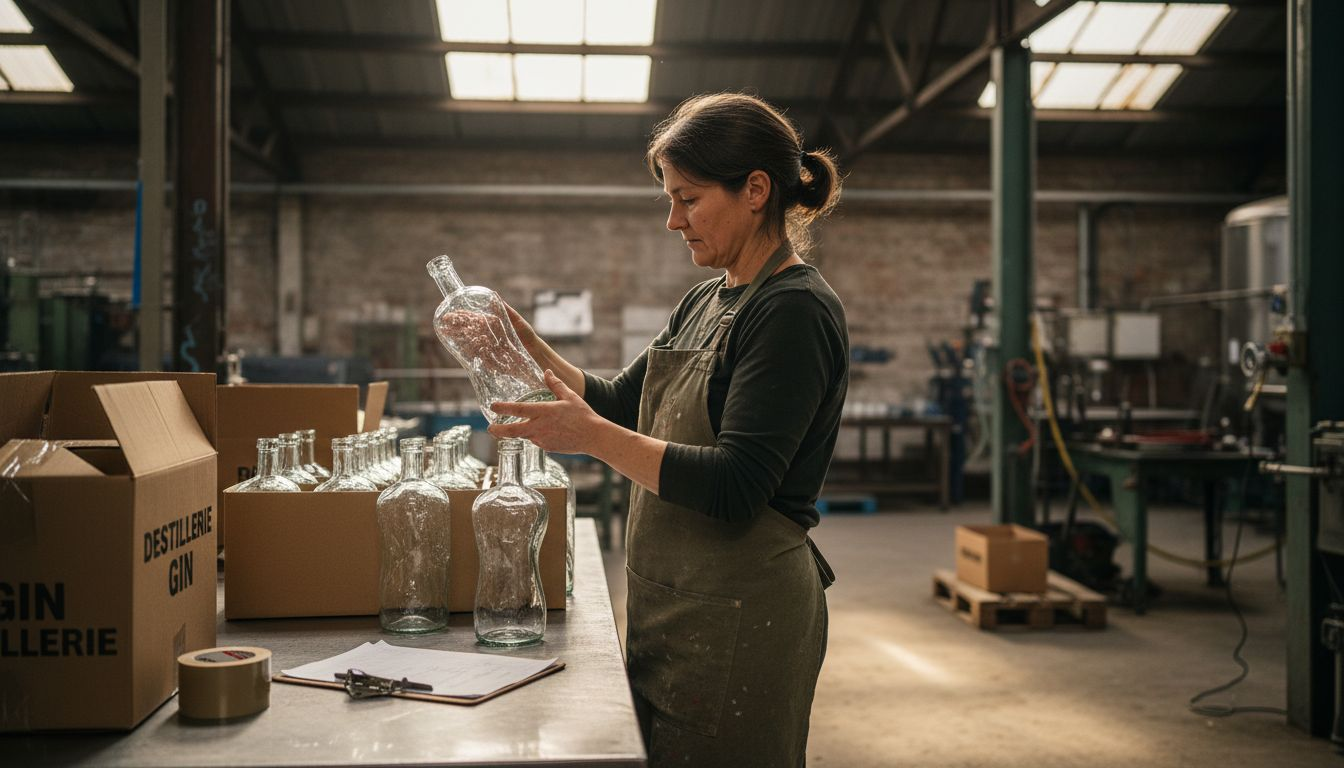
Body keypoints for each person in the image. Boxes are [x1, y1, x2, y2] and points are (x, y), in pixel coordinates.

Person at [489, 92, 849, 767]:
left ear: (755, 190)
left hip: (742, 614)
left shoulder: (792, 312)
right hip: (673, 608)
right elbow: (624, 401)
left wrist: (588, 436)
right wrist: (525, 346)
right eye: (670, 199)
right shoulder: (708, 297)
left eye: (688, 199)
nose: (672, 220)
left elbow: (739, 484)